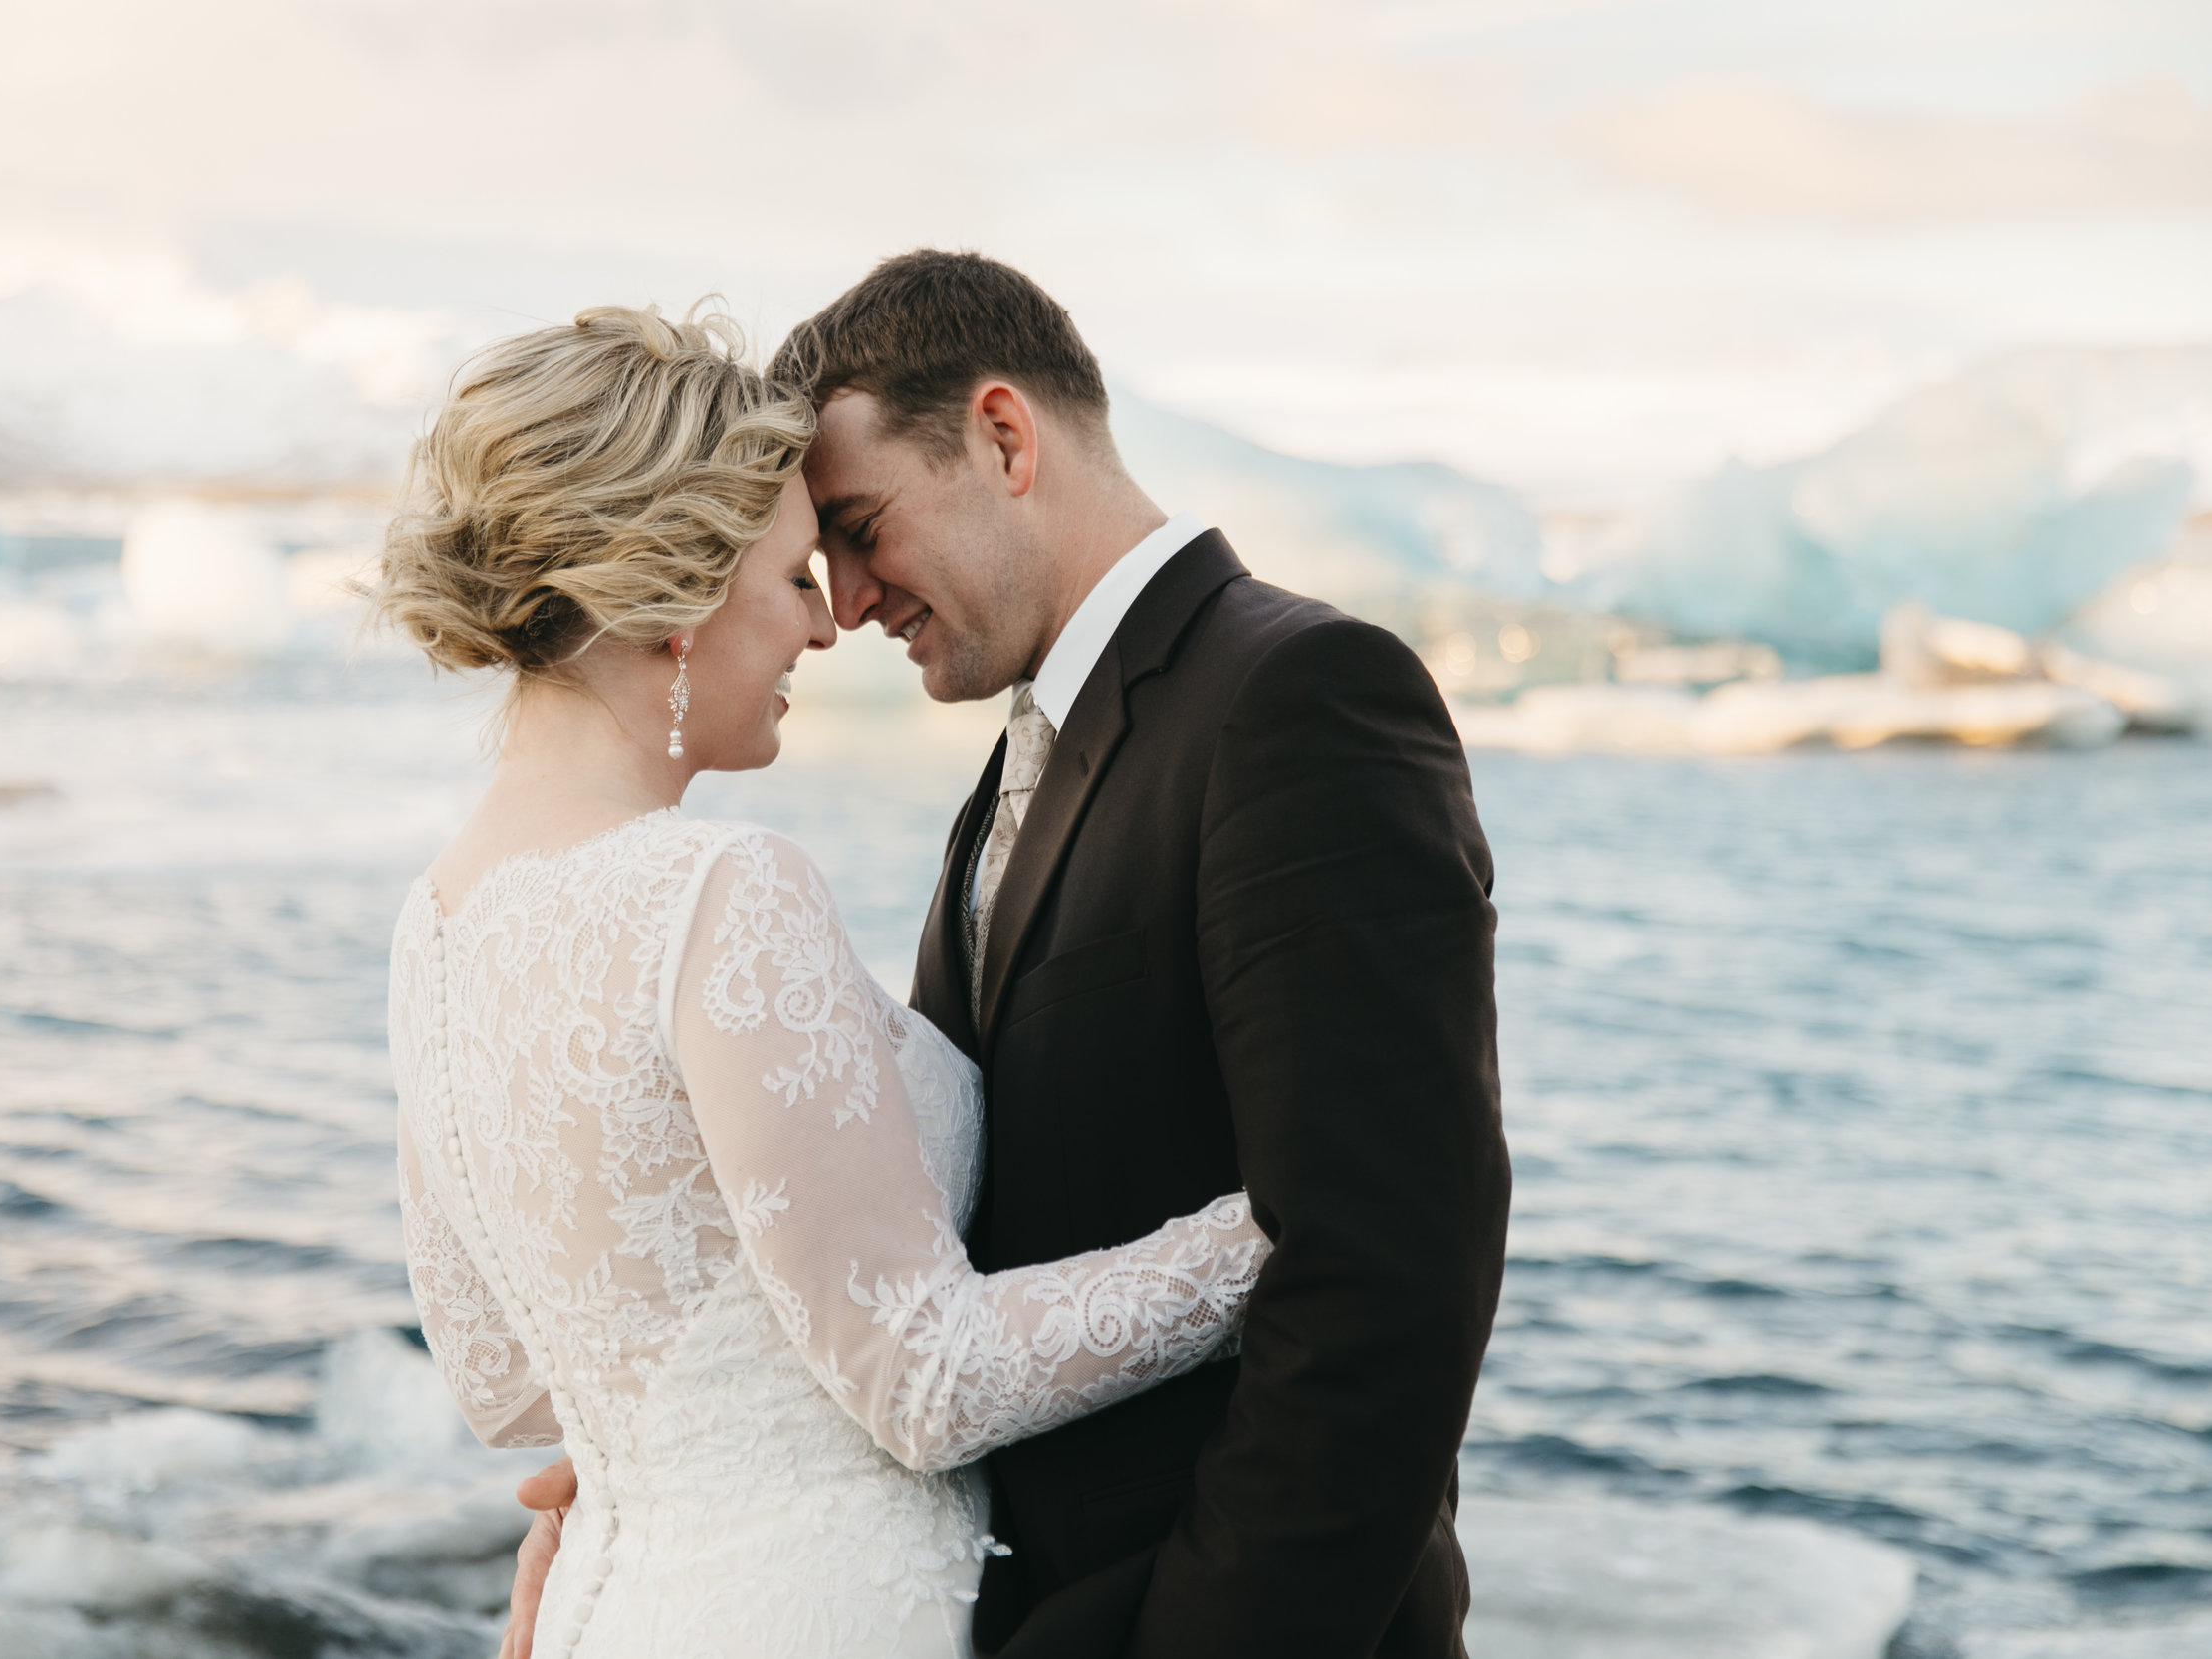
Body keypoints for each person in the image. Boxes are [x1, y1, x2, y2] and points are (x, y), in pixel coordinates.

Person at [505, 252, 1511, 1658]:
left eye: (858, 527)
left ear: (1001, 436)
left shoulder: (1299, 700)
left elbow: (1384, 1278)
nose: (843, 602)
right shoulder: (1013, 778)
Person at [375, 303, 1271, 1659]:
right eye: (795, 576)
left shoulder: (431, 930)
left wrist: (657, 1458)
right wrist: (1268, 1236)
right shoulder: (717, 894)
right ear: (677, 594)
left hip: (609, 1613)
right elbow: (925, 1377)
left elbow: (504, 1382)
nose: (824, 622)